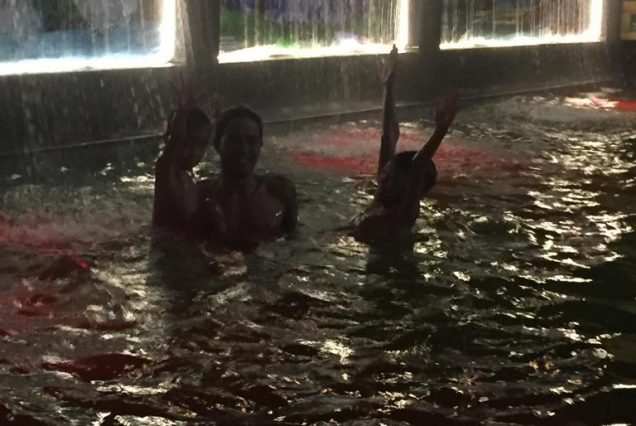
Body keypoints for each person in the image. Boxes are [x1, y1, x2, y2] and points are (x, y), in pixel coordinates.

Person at [350, 46, 460, 243]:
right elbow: (388, 136)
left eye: (392, 178)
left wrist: (441, 129)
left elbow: (418, 165)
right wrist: (388, 86)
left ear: (407, 188)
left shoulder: (402, 215)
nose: (383, 178)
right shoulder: (382, 199)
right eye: (386, 174)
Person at [194, 106, 298, 251]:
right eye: (234, 141)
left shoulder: (280, 193)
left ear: (260, 145)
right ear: (217, 144)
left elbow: (295, 242)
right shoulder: (200, 196)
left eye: (251, 141)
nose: (243, 149)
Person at [152, 78, 213, 236]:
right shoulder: (167, 171)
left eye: (200, 147)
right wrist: (183, 110)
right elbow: (177, 138)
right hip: (165, 247)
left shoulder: (190, 182)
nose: (194, 152)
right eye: (187, 144)